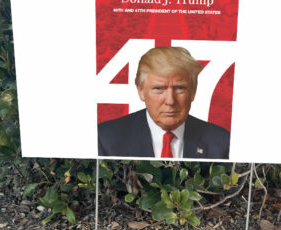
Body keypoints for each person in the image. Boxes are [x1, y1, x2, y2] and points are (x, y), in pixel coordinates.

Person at [97, 46, 230, 159]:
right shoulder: (106, 139)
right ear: (141, 91)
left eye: (180, 88)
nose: (170, 101)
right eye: (159, 89)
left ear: (193, 91)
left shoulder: (221, 143)